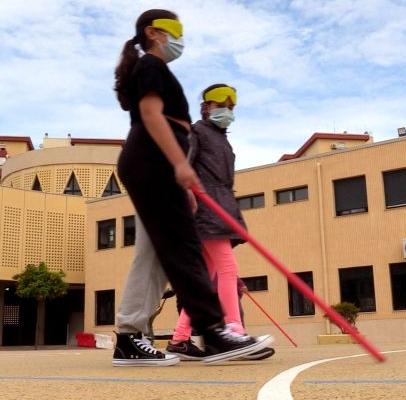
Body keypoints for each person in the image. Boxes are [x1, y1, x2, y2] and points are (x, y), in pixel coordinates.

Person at [112, 9, 272, 367]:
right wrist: (181, 165)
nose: (180, 38)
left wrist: (180, 176)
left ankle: (130, 337)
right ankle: (213, 332)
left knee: (155, 254)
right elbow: (152, 116)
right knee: (184, 250)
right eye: (174, 31)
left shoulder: (155, 68)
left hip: (152, 166)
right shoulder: (151, 66)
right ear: (153, 33)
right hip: (152, 163)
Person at [164, 84, 274, 361]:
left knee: (204, 281)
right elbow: (183, 166)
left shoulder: (223, 139)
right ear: (206, 106)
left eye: (231, 106)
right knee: (227, 269)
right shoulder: (197, 131)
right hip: (206, 211)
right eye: (220, 105)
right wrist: (187, 193)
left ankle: (179, 339)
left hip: (222, 210)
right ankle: (234, 329)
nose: (226, 111)